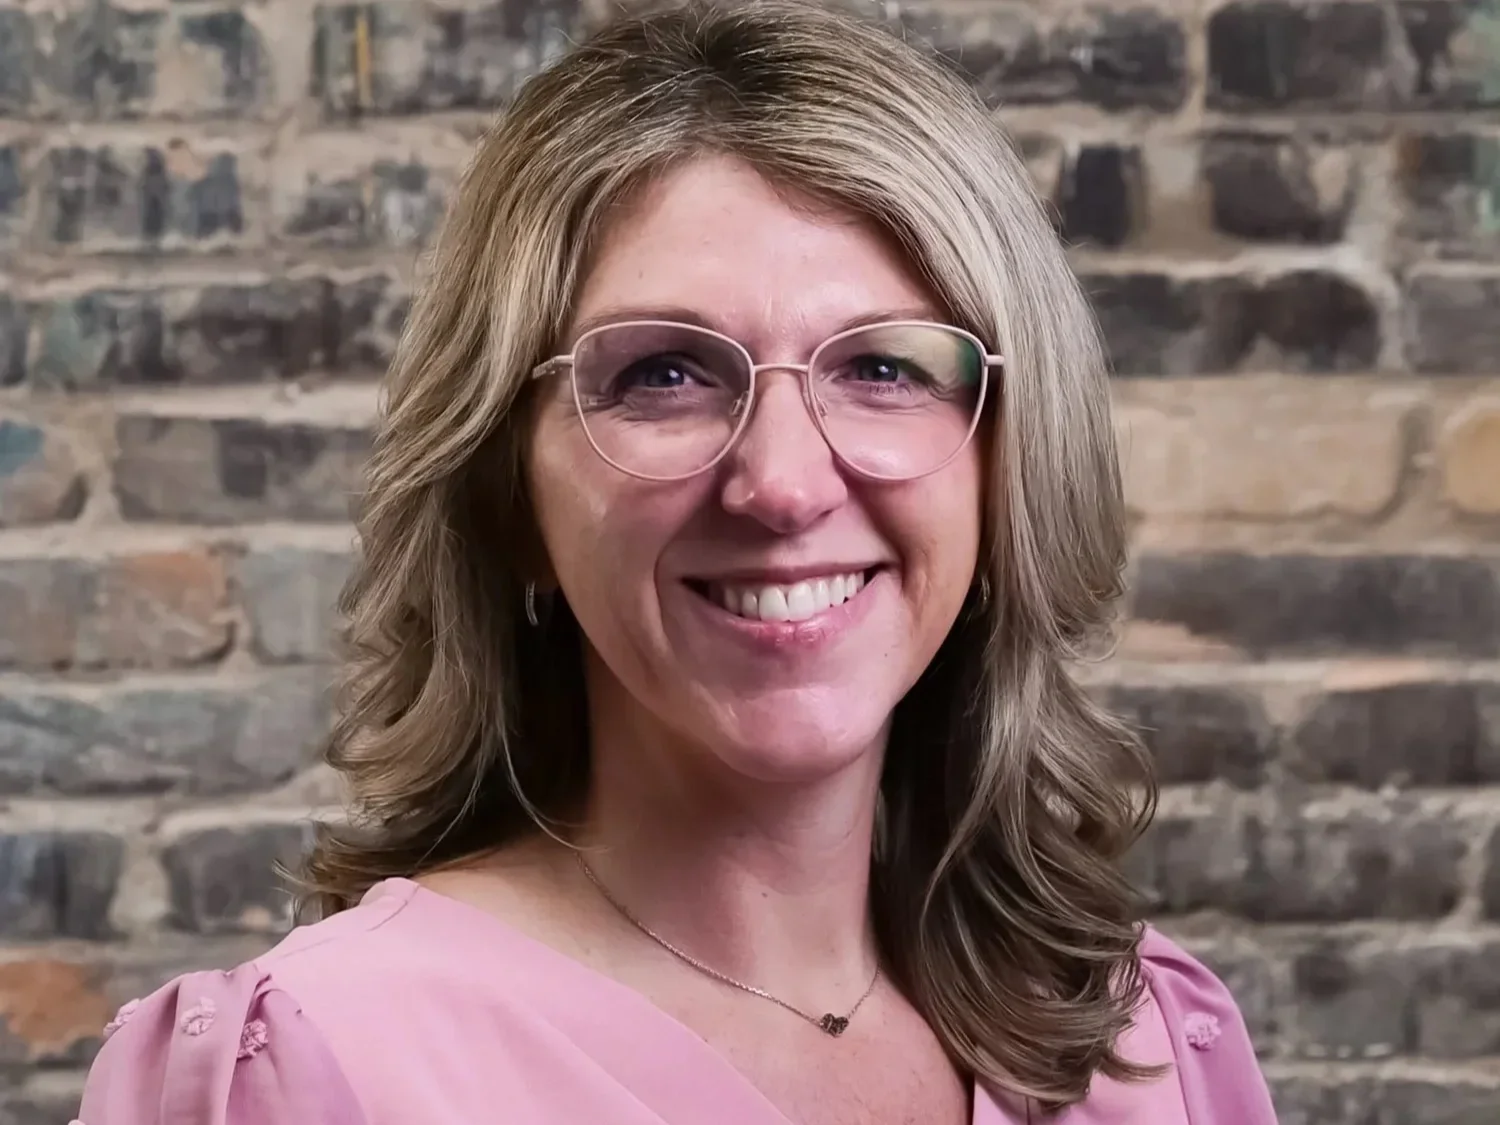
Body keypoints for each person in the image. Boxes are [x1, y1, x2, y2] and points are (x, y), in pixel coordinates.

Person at [75, 3, 1279, 1122]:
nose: (785, 485)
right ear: (508, 487)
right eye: (663, 374)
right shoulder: (308, 1071)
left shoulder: (1145, 1047)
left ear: (1006, 459)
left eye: (883, 368)